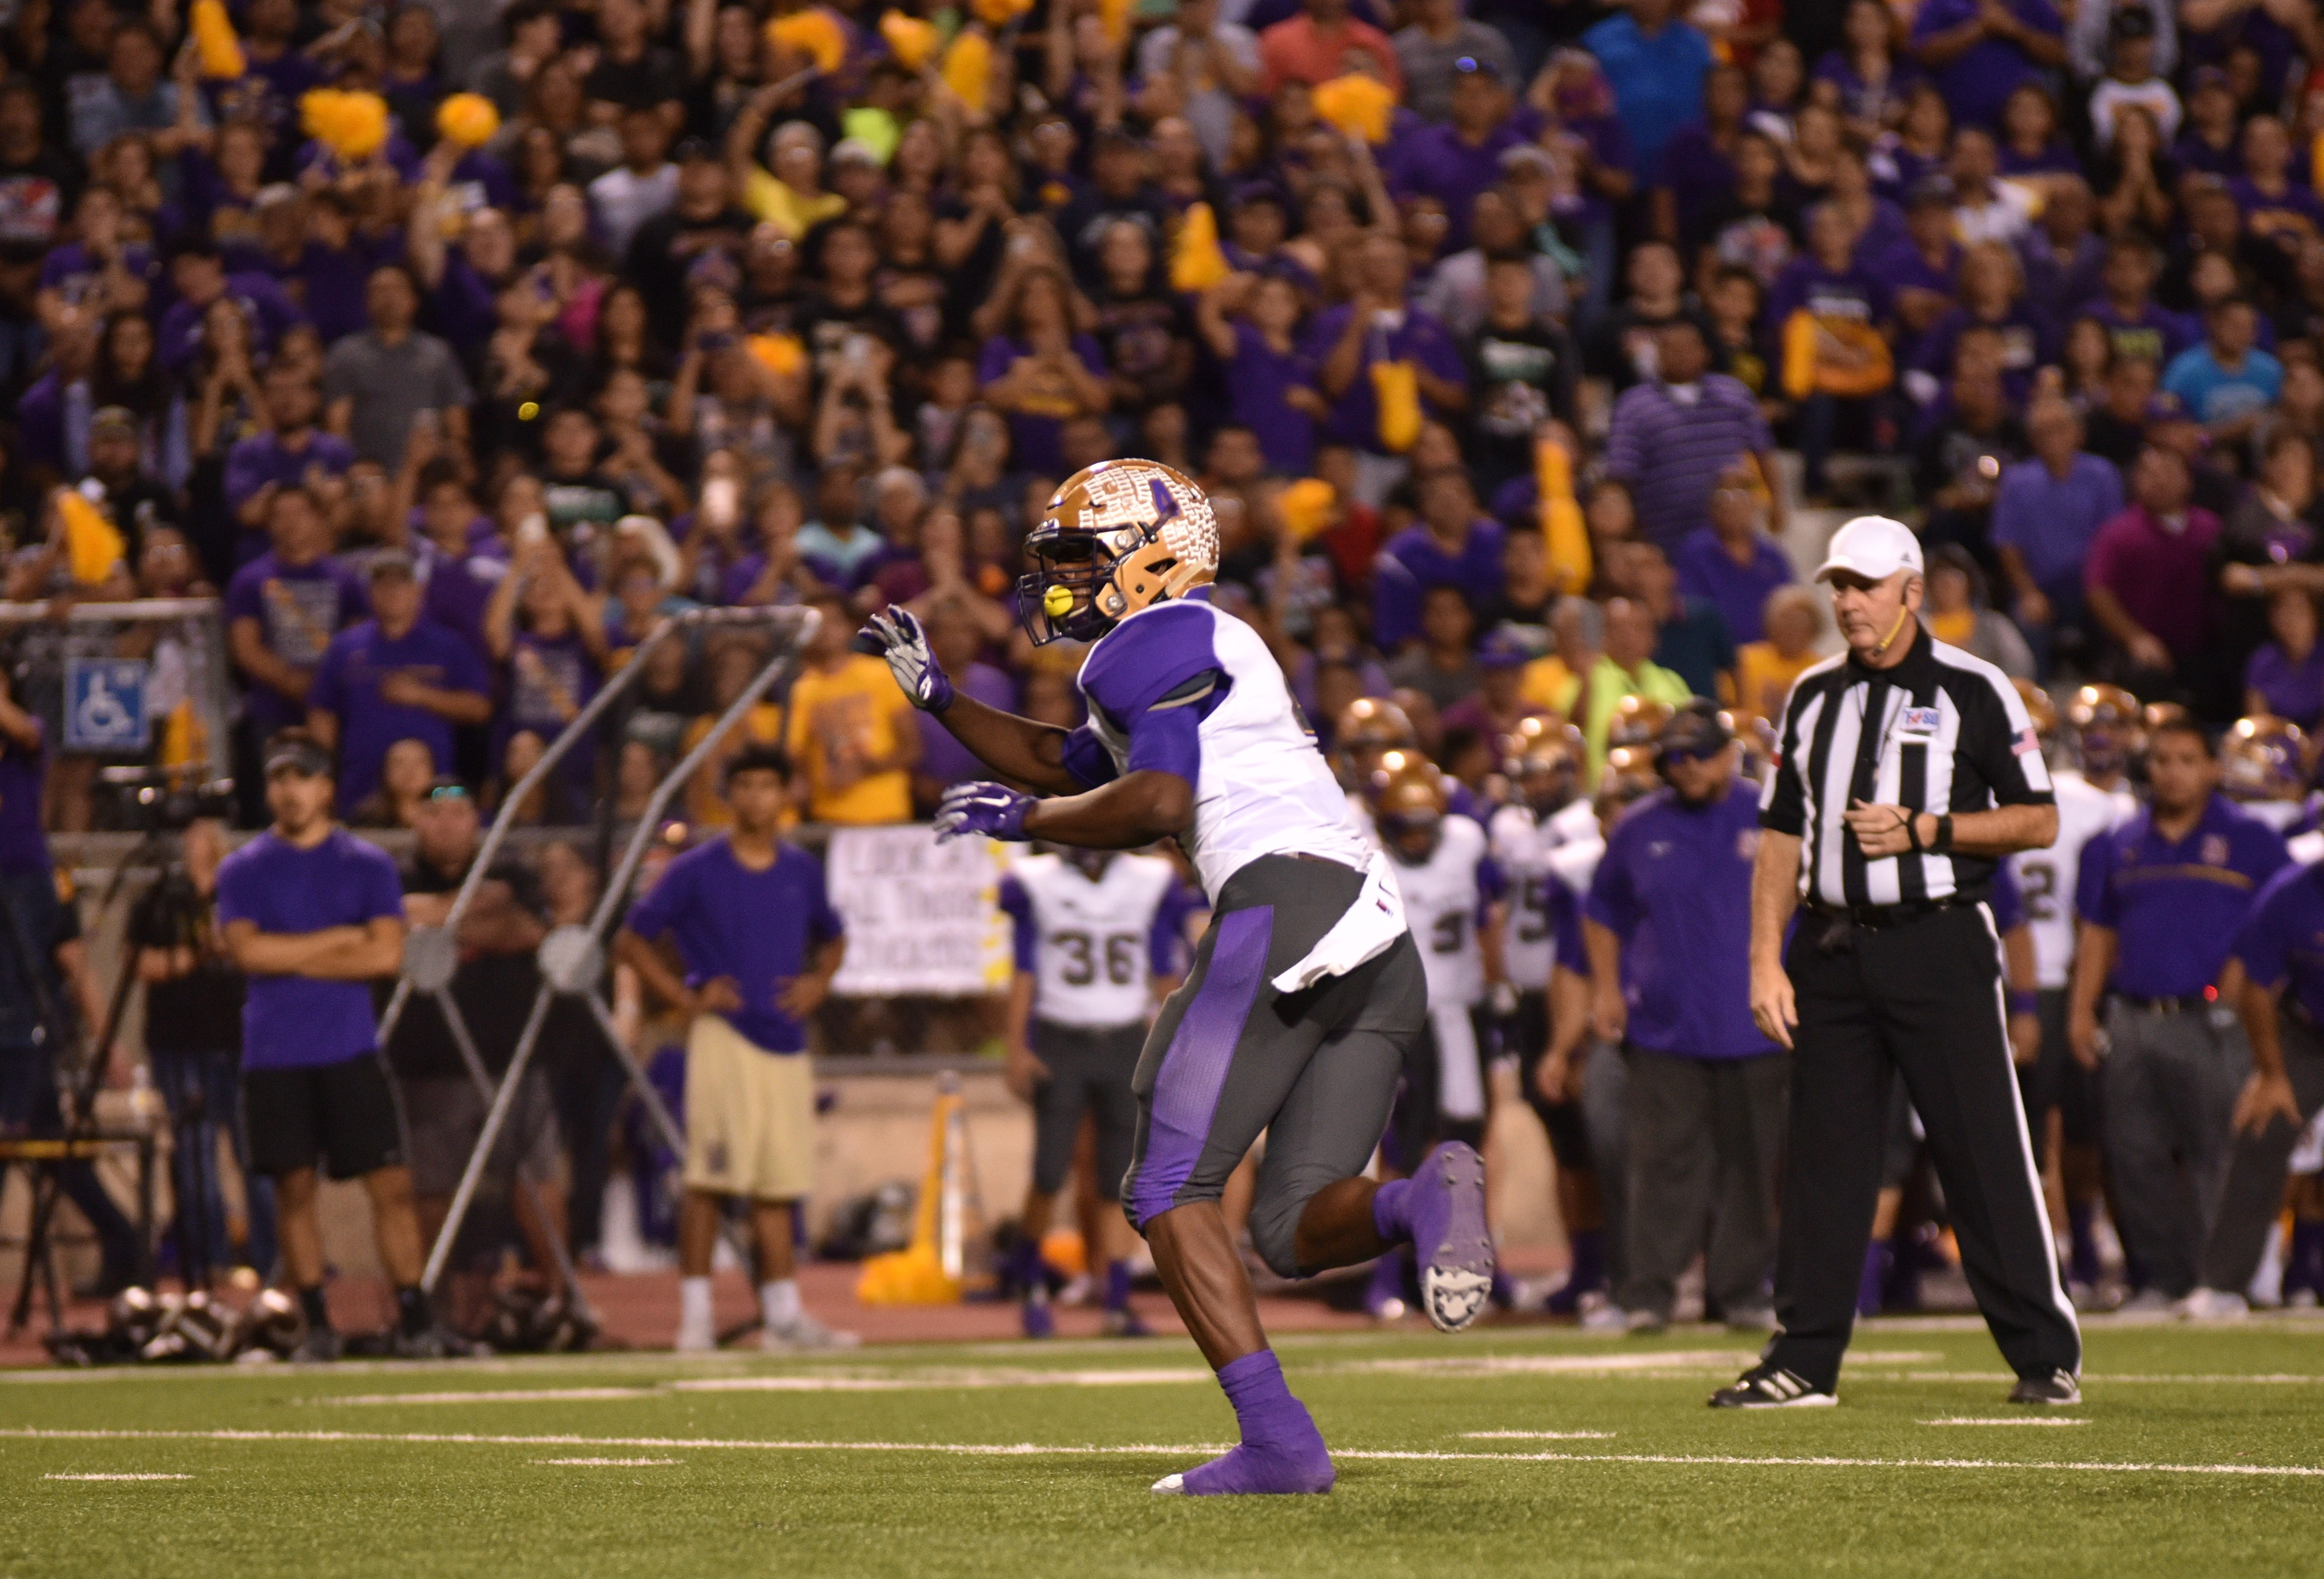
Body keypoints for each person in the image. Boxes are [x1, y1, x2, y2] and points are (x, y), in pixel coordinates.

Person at [859, 458, 1482, 1498]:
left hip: (1281, 907)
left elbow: (1147, 802)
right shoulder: (1195, 647)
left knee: (1165, 1185)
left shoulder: (1152, 638)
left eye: (1075, 556)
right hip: (1376, 942)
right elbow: (1072, 762)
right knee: (1289, 1227)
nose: (1055, 580)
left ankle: (1281, 1444)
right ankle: (1423, 1197)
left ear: (1153, 556)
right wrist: (946, 704)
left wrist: (1029, 826)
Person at [1735, 514, 2079, 1408]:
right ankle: (1804, 1359)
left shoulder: (1977, 687)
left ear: (1911, 593)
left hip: (1939, 939)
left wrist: (1930, 829)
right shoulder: (1810, 696)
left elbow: (2038, 817)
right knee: (1824, 1157)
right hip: (1834, 947)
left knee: (1981, 1148)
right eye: (1839, 587)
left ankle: (2045, 1354)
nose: (1848, 603)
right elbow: (1780, 832)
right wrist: (1765, 960)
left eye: (1866, 586)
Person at [614, 744, 856, 1354]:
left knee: (778, 1186)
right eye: (742, 786)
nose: (755, 798)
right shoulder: (695, 869)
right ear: (728, 796)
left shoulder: (801, 869)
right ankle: (694, 1320)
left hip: (786, 1041)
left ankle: (784, 1317)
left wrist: (817, 984)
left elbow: (834, 938)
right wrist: (683, 995)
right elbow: (633, 938)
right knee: (710, 1181)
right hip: (725, 1039)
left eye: (766, 785)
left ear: (786, 794)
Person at [215, 730, 441, 1360]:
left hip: (348, 1047)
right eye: (279, 778)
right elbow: (248, 951)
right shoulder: (244, 868)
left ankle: (416, 1318)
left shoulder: (367, 864)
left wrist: (291, 955)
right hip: (275, 1052)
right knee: (294, 1189)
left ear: (327, 788)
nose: (290, 791)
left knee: (390, 1184)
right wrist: (338, 939)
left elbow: (387, 954)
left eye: (302, 777)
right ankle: (317, 1323)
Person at [2068, 717, 2289, 1311]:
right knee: (2134, 1152)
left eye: (2188, 759)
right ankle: (2164, 1279)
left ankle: (2222, 1282)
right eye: (2162, 760)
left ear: (2215, 769)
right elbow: (2099, 930)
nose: (2173, 772)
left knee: (2219, 1149)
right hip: (2134, 1015)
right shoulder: (2122, 839)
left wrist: (2248, 987)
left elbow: (2282, 924)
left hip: (2215, 1018)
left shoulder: (2250, 839)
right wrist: (2081, 1011)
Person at [1587, 704, 1787, 1334]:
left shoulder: (1771, 814)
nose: (1686, 767)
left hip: (1756, 1023)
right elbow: (1602, 908)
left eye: (1698, 753)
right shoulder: (1640, 827)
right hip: (1666, 1028)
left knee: (1755, 1166)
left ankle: (1742, 1292)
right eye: (1674, 757)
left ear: (1731, 753)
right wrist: (1607, 990)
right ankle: (1649, 1293)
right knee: (1662, 1165)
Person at [387, 781, 572, 1333]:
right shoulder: (395, 877)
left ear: (477, 821)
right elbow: (393, 929)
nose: (448, 824)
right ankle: (436, 1313)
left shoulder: (510, 870)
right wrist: (468, 912)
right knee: (432, 1190)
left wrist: (436, 919)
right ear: (416, 821)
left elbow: (524, 931)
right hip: (430, 1060)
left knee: (535, 1179)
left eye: (460, 812)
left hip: (509, 1055)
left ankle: (560, 1302)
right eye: (435, 813)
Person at [997, 846, 1195, 1338]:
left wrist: (1174, 1043)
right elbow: (1024, 970)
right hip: (1061, 1039)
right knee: (1048, 1171)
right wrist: (1016, 1048)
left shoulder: (1150, 881)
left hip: (1126, 1040)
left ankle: (1118, 1299)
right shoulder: (1036, 879)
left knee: (1119, 1179)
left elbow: (1163, 970)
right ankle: (1029, 1283)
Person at [2182, 856, 2324, 1315]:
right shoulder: (2290, 892)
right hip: (2308, 1032)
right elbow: (2257, 987)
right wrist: (2272, 1075)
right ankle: (2223, 1285)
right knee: (2260, 1125)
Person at [130, 818, 267, 1285]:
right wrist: (193, 956)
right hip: (178, 1042)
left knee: (258, 1154)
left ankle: (270, 1261)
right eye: (187, 835)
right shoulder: (158, 899)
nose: (196, 844)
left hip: (240, 1041)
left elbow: (260, 951)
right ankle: (210, 1261)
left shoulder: (243, 892)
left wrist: (226, 947)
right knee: (194, 1152)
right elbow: (138, 964)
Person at [305, 551, 493, 813]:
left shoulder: (448, 646)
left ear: (419, 590)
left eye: (401, 583)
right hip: (359, 791)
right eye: (382, 584)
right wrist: (320, 781)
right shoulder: (345, 648)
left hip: (435, 794)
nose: (392, 592)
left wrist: (421, 696)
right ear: (369, 592)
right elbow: (323, 716)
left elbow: (479, 708)